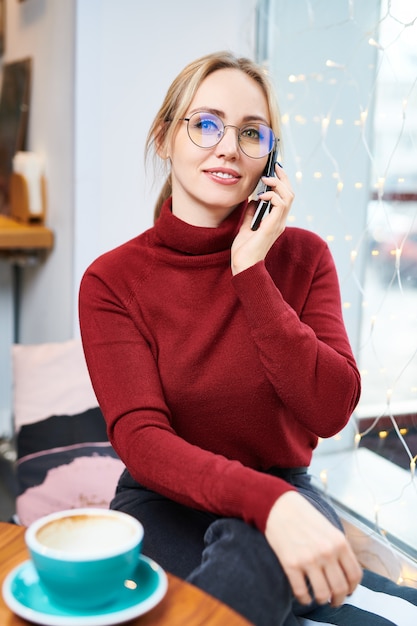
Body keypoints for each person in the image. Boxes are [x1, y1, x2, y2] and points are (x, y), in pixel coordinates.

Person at [78, 51, 416, 626]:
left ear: (270, 157)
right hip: (166, 501)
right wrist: (270, 504)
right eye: (205, 124)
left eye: (251, 133)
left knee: (253, 554)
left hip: (285, 491)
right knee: (255, 567)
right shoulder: (112, 280)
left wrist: (251, 273)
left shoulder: (304, 257)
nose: (229, 147)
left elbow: (331, 408)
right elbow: (142, 439)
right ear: (165, 138)